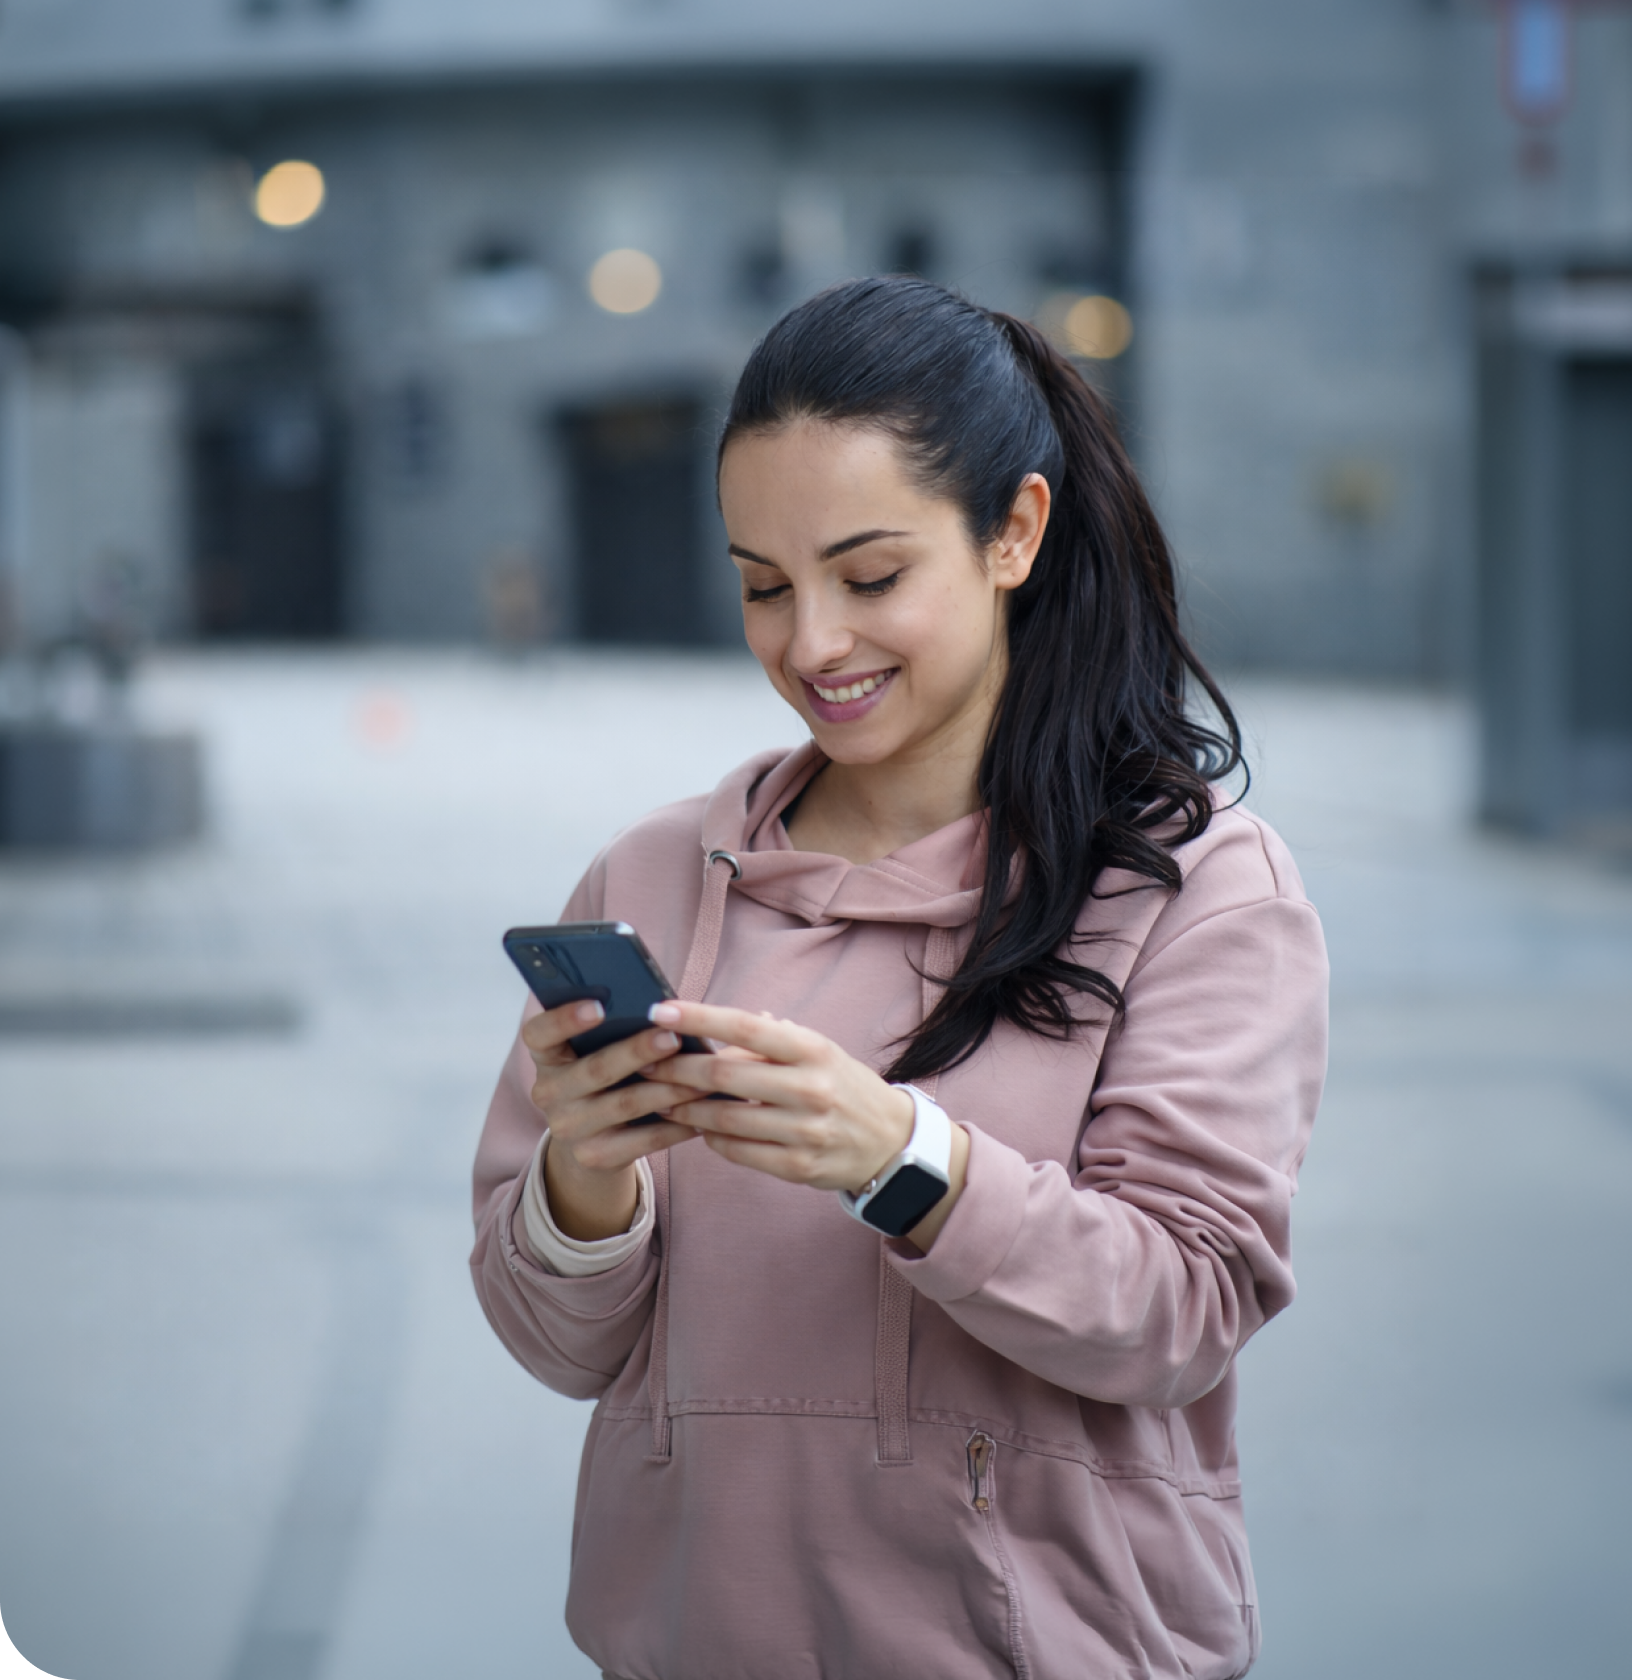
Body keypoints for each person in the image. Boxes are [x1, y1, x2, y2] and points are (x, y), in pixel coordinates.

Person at [471, 276, 1328, 1680]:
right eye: (762, 585)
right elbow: (558, 1347)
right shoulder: (647, 879)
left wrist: (904, 1157)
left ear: (1016, 532)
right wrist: (581, 1178)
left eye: (870, 578)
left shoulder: (1197, 890)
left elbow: (1181, 1308)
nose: (811, 645)